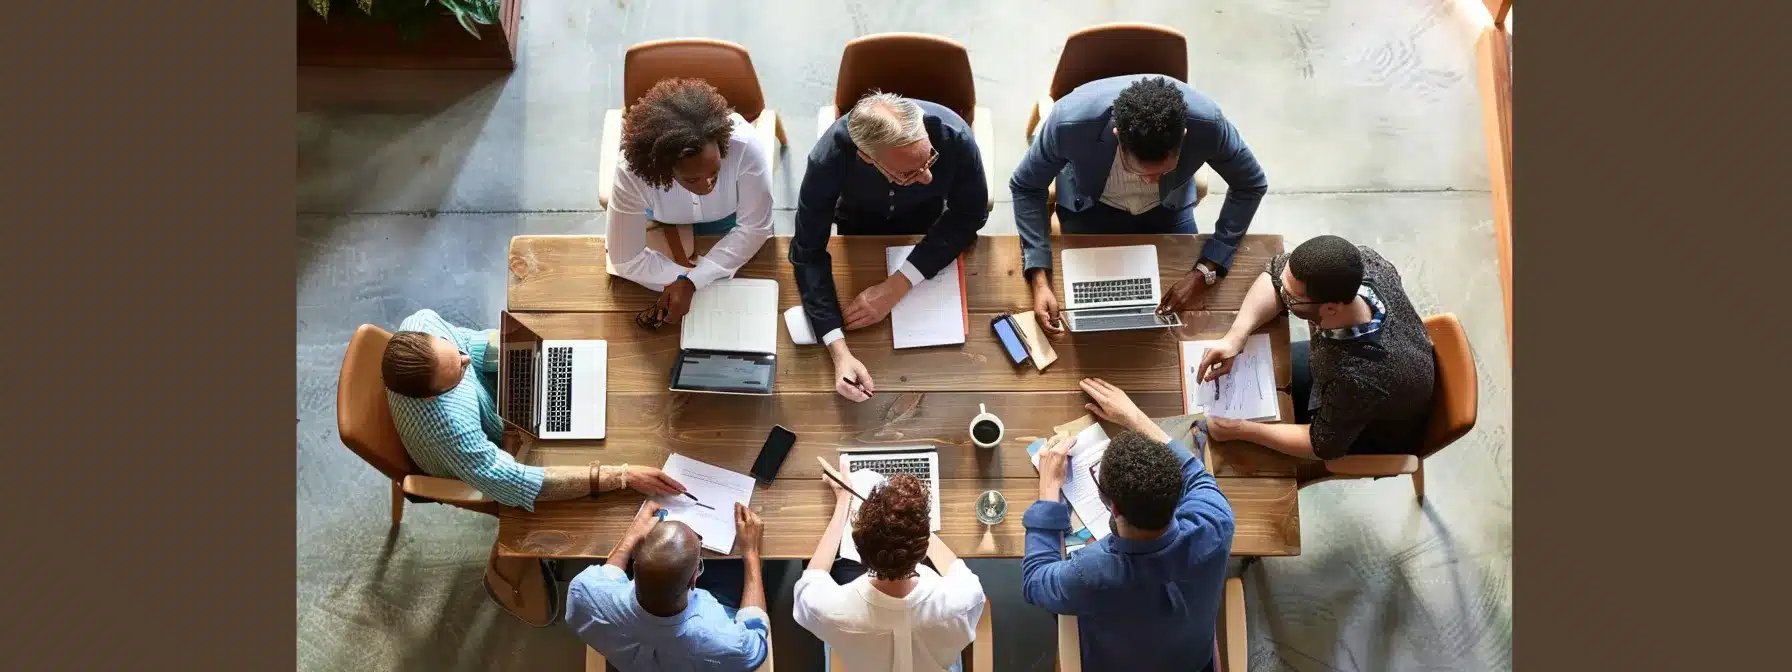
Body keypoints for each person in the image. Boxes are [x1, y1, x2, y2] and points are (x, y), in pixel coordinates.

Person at [1011, 75, 1268, 334]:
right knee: (1086, 314)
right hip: (1090, 209)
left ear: (1184, 136)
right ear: (1118, 136)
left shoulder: (1209, 124)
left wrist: (1207, 268)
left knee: (1177, 326)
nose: (1150, 182)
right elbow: (1026, 186)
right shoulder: (1068, 123)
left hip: (1167, 210)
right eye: (1140, 171)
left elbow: (1251, 184)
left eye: (1163, 172)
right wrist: (1039, 277)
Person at [1023, 377, 1234, 671]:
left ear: (1113, 506)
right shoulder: (1215, 521)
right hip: (1193, 661)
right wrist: (1134, 417)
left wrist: (1048, 490)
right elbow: (1194, 473)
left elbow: (1035, 581)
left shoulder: (1092, 573)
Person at [791, 92, 989, 402]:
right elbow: (807, 251)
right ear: (867, 157)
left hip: (929, 225)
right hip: (858, 226)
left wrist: (898, 284)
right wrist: (838, 349)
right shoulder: (828, 158)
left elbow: (969, 214)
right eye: (909, 172)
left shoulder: (956, 137)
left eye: (929, 160)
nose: (927, 178)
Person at [382, 309, 686, 509]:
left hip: (501, 413)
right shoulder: (448, 432)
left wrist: (530, 357)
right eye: (457, 373)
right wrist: (621, 476)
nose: (465, 361)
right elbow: (517, 484)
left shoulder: (421, 322)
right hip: (489, 454)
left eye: (455, 355)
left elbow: (466, 344)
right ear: (430, 398)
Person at [1193, 234, 1436, 460]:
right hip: (1346, 379)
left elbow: (1322, 445)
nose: (1282, 294)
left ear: (1330, 309)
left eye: (1290, 298)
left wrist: (1239, 429)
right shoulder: (1360, 264)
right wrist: (1235, 337)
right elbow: (1274, 274)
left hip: (1370, 428)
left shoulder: (1358, 376)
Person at [608, 77, 775, 327]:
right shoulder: (633, 172)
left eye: (716, 170)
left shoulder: (744, 147)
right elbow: (625, 260)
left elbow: (755, 228)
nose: (708, 184)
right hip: (664, 227)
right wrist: (689, 280)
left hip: (731, 224)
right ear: (663, 170)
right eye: (692, 178)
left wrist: (692, 282)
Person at [794, 473, 986, 672]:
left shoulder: (831, 611)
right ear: (922, 549)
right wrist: (912, 522)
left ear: (860, 551)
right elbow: (955, 567)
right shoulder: (963, 599)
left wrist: (843, 502)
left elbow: (810, 580)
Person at [565, 501, 772, 671]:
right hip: (701, 644)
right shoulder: (728, 642)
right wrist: (751, 552)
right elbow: (755, 634)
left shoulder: (583, 593)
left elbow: (607, 576)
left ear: (633, 568)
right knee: (735, 567)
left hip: (628, 652)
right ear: (694, 581)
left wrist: (631, 537)